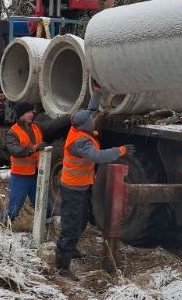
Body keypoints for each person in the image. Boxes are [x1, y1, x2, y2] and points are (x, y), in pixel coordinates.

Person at [55, 87, 134, 273]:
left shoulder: (79, 126)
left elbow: (90, 111)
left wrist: (97, 93)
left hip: (81, 186)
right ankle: (62, 265)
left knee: (82, 219)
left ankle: (71, 248)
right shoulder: (80, 142)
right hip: (73, 188)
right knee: (71, 225)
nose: (93, 119)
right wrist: (120, 151)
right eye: (91, 120)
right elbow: (97, 156)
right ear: (84, 126)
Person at [3, 102, 51, 221]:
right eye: (28, 112)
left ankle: (47, 225)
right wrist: (33, 148)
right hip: (21, 177)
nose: (32, 114)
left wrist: (69, 117)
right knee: (13, 209)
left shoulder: (35, 127)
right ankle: (3, 226)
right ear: (21, 114)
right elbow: (14, 150)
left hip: (36, 174)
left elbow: (53, 125)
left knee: (44, 206)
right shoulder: (12, 132)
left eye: (32, 111)